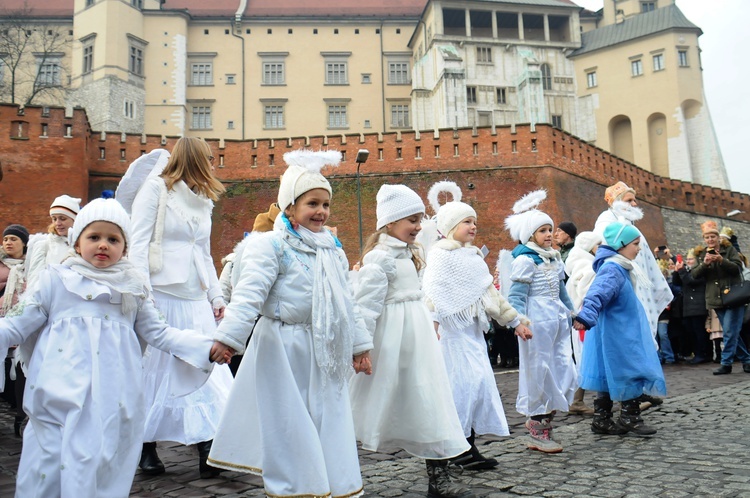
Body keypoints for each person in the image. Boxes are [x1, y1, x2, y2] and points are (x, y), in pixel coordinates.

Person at [0, 199, 219, 497]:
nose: (103, 245)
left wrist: (206, 347)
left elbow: (161, 333)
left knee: (97, 462)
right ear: (77, 243)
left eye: (113, 239)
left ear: (125, 248)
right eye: (94, 237)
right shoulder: (55, 281)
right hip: (57, 395)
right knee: (48, 462)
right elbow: (16, 324)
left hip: (111, 398)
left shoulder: (133, 289)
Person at [206, 150, 373, 498]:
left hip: (323, 348)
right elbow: (249, 295)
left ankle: (332, 485)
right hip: (283, 348)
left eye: (326, 204)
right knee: (289, 425)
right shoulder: (269, 246)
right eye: (313, 203)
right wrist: (229, 338)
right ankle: (294, 490)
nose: (322, 212)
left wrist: (359, 347)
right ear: (290, 206)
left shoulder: (332, 249)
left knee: (327, 419)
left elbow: (347, 303)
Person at [349, 184, 475, 498]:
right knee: (377, 403)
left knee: (430, 402)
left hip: (417, 340)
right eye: (411, 220)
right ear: (389, 222)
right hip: (393, 343)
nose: (419, 226)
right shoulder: (379, 260)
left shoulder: (410, 254)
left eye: (420, 219)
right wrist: (361, 347)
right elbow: (364, 307)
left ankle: (439, 479)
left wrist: (426, 322)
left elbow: (419, 295)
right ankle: (338, 474)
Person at [129, 137, 233, 478]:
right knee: (155, 371)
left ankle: (208, 444)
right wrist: (145, 296)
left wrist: (216, 296)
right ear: (194, 159)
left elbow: (203, 250)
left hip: (195, 294)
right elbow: (139, 244)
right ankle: (145, 445)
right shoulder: (156, 190)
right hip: (162, 292)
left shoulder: (203, 197)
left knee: (206, 365)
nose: (213, 165)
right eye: (208, 159)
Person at [423, 183, 533, 468]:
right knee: (458, 389)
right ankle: (454, 449)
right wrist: (432, 323)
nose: (473, 227)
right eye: (466, 222)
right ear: (450, 226)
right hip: (449, 336)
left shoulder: (472, 258)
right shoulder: (440, 256)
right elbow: (432, 292)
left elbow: (490, 295)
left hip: (472, 334)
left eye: (475, 222)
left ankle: (467, 445)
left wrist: (515, 321)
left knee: (477, 387)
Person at [573, 222, 667, 436]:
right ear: (621, 245)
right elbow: (597, 292)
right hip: (618, 333)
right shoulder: (613, 269)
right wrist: (586, 315)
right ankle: (629, 417)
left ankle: (602, 418)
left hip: (616, 330)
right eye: (636, 244)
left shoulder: (618, 267)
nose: (639, 248)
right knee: (629, 369)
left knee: (608, 372)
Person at [505, 190, 577, 453]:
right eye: (542, 230)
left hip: (556, 321)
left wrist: (572, 313)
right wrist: (518, 322)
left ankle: (547, 419)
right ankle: (538, 426)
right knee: (540, 371)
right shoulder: (525, 260)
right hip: (536, 323)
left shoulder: (554, 258)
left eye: (550, 229)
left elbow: (562, 291)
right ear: (530, 235)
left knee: (563, 368)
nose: (548, 234)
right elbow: (516, 296)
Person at [593, 182, 673, 340]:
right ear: (616, 202)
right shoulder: (606, 224)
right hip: (625, 287)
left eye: (634, 200)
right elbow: (600, 253)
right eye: (629, 200)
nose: (635, 204)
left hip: (640, 288)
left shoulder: (628, 224)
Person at [690, 221, 750, 375]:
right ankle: (747, 360)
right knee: (732, 332)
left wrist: (722, 261)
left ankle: (726, 363)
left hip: (733, 296)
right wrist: (705, 264)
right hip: (716, 298)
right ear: (704, 239)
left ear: (718, 238)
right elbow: (694, 275)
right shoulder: (702, 254)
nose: (710, 240)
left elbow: (737, 268)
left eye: (713, 236)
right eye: (707, 237)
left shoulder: (728, 250)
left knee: (729, 332)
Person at [564, 231, 603, 416]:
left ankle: (578, 400)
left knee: (587, 358)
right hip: (586, 319)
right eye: (598, 245)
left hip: (583, 318)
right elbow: (588, 289)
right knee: (590, 358)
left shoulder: (582, 262)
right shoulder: (585, 264)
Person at [1, 224, 29, 435]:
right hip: (2, 322)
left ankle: (20, 415)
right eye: (6, 239)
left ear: (24, 243)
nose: (8, 243)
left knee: (21, 369)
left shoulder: (31, 265)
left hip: (23, 321)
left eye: (14, 239)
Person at [25, 195, 81, 292]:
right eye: (54, 219)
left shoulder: (84, 244)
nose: (57, 223)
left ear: (75, 219)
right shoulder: (44, 244)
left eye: (62, 218)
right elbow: (34, 280)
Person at [673, 248, 711, 364]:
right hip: (688, 306)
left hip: (698, 306)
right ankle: (698, 353)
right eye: (687, 259)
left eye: (691, 259)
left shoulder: (701, 271)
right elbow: (677, 282)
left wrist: (682, 271)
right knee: (691, 331)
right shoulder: (687, 271)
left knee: (699, 331)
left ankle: (703, 354)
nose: (688, 261)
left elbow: (690, 281)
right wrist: (676, 271)